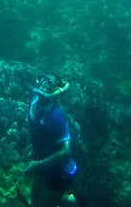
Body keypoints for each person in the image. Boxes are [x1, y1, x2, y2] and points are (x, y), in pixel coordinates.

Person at [26, 74, 78, 207]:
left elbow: (66, 152)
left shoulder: (56, 117)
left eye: (49, 84)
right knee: (34, 201)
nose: (44, 85)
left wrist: (38, 164)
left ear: (54, 92)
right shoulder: (34, 101)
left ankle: (68, 201)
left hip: (59, 173)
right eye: (43, 81)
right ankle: (65, 199)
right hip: (43, 165)